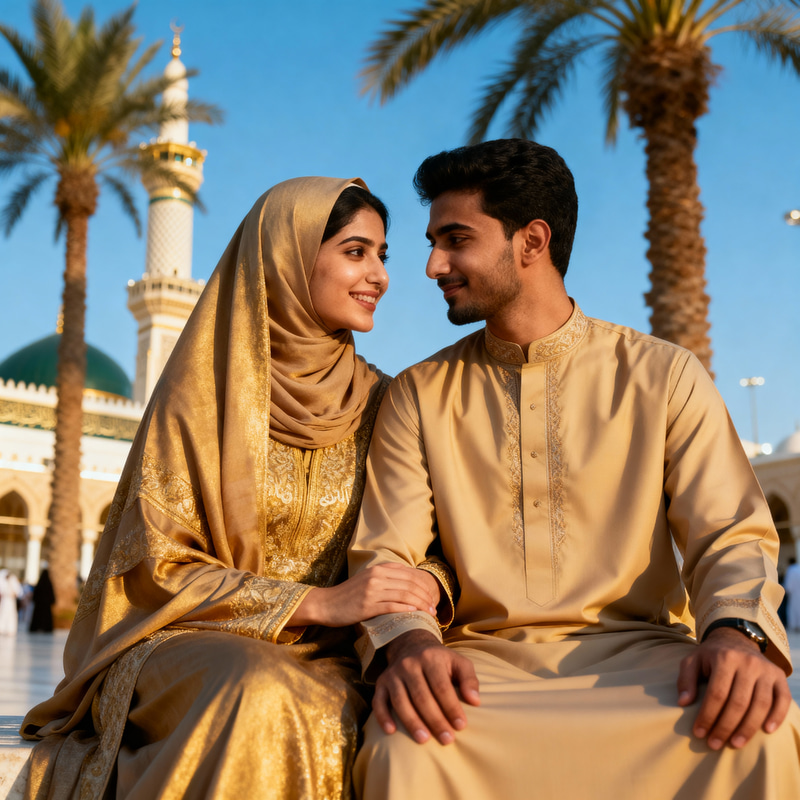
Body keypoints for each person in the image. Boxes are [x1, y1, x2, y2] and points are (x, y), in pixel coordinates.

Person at [349, 139, 800, 799]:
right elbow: (389, 552)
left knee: (759, 733)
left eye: (455, 240)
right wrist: (410, 647)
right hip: (477, 669)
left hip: (649, 655)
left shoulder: (663, 375)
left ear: (532, 241)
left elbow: (730, 533)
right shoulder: (419, 393)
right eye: (433, 242)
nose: (432, 265)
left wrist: (735, 635)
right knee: (406, 747)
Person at [21, 177, 454, 799]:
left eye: (382, 255)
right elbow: (155, 567)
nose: (380, 276)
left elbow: (430, 541)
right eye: (355, 252)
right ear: (286, 258)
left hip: (334, 653)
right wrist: (316, 603)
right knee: (257, 690)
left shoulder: (384, 403)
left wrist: (423, 587)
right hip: (184, 642)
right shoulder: (201, 399)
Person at [28, 567, 54, 633]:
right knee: (46, 616)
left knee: (38, 617)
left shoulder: (39, 584)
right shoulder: (49, 585)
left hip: (39, 605)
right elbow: (51, 594)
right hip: (46, 605)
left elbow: (35, 594)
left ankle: (37, 627)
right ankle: (46, 628)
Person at [0, 568, 22, 635]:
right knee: (3, 614)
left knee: (11, 615)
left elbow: (18, 592)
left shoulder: (13, 580)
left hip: (11, 601)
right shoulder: (3, 581)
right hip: (4, 601)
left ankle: (10, 629)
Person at [786, 558, 800, 632]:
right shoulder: (798, 568)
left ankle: (795, 626)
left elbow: (789, 585)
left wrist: (787, 592)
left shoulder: (790, 570)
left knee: (794, 610)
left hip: (794, 594)